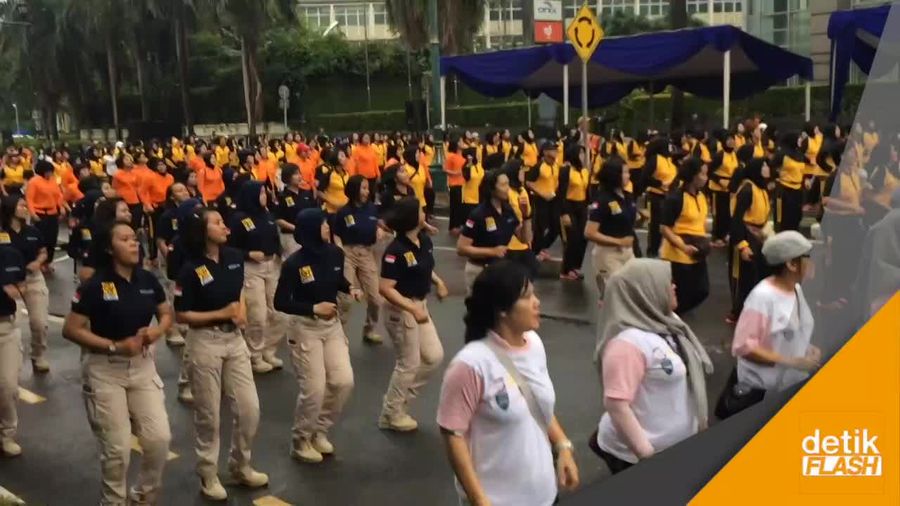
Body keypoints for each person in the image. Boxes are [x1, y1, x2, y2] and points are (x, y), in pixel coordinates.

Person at [437, 261, 579, 506]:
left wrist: (563, 445)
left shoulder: (534, 344)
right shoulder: (471, 365)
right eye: (527, 297)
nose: (537, 302)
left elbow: (538, 403)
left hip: (544, 495)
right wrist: (479, 499)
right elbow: (453, 435)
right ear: (502, 309)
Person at [62, 221, 173, 505]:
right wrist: (115, 346)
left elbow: (166, 314)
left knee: (159, 439)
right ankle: (113, 502)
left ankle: (143, 497)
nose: (134, 243)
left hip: (142, 366)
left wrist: (156, 332)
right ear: (110, 248)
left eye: (135, 238)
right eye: (125, 239)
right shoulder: (95, 285)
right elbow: (71, 329)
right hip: (105, 368)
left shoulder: (147, 280)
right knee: (117, 450)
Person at [174, 207, 267, 500]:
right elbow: (182, 315)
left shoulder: (234, 257)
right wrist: (221, 312)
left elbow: (238, 289)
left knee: (249, 408)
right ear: (203, 232)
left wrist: (239, 310)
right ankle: (208, 473)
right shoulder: (190, 270)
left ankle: (241, 465)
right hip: (205, 343)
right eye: (216, 222)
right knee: (209, 416)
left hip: (234, 340)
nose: (224, 225)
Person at [591, 259, 713, 474]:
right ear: (645, 291)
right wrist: (646, 455)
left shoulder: (666, 321)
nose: (674, 286)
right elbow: (616, 405)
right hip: (638, 457)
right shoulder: (627, 344)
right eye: (667, 282)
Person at [274, 208, 358, 463]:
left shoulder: (335, 253)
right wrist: (313, 308)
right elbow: (280, 302)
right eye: (322, 224)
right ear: (310, 229)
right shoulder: (294, 264)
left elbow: (336, 278)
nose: (327, 227)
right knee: (314, 388)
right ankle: (300, 439)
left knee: (343, 381)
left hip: (331, 327)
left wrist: (350, 287)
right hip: (305, 328)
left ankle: (319, 430)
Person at [719, 231, 820, 419]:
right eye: (808, 257)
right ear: (791, 264)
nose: (814, 263)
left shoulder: (796, 289)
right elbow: (744, 347)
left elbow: (791, 332)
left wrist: (807, 349)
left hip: (786, 385)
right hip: (761, 392)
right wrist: (792, 362)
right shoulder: (763, 298)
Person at [378, 197, 449, 431]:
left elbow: (426, 267)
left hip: (420, 305)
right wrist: (411, 308)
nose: (424, 211)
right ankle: (391, 414)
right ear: (412, 217)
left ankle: (396, 400)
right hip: (401, 309)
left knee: (433, 356)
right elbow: (386, 287)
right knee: (408, 362)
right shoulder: (395, 251)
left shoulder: (424, 241)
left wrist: (438, 282)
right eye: (420, 210)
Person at [228, 181, 285, 374]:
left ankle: (269, 349)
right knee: (258, 315)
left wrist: (278, 254)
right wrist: (248, 254)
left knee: (279, 313)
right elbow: (229, 248)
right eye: (261, 193)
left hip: (272, 266)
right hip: (251, 268)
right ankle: (255, 355)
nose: (264, 195)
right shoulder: (238, 219)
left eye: (265, 192)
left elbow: (275, 239)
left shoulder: (267, 215)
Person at [457, 170, 531, 293]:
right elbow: (461, 248)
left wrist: (526, 215)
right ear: (491, 189)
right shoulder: (478, 214)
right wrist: (492, 251)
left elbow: (524, 239)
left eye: (508, 184)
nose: (507, 188)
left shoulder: (508, 210)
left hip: (501, 269)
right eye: (503, 185)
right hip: (480, 270)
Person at [1, 194, 51, 373]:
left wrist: (38, 262)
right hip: (9, 282)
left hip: (33, 278)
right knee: (12, 325)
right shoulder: (2, 232)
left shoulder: (33, 232)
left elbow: (43, 252)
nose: (25, 209)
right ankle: (11, 362)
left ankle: (38, 354)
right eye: (22, 206)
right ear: (11, 209)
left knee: (39, 322)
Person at [333, 175, 384, 345]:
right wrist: (339, 249)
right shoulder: (343, 212)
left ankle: (370, 329)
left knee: (375, 298)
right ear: (354, 190)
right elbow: (336, 233)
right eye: (363, 188)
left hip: (366, 253)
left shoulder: (372, 209)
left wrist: (379, 230)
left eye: (367, 188)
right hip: (348, 252)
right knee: (346, 297)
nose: (366, 191)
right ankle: (338, 334)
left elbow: (377, 224)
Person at [660, 157, 711, 315]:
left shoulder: (702, 197)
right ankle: (671, 318)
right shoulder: (676, 198)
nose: (705, 178)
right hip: (678, 255)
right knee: (682, 292)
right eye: (702, 174)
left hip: (697, 252)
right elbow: (664, 228)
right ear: (692, 176)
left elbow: (700, 223)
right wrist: (683, 246)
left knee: (702, 290)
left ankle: (674, 314)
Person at [585, 158, 637, 301]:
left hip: (628, 253)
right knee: (614, 296)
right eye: (625, 172)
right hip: (608, 255)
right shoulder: (602, 200)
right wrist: (618, 241)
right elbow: (590, 232)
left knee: (631, 294)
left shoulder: (627, 197)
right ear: (614, 175)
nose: (628, 176)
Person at [728, 158, 772, 321]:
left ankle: (754, 311)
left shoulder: (761, 188)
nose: (768, 168)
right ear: (756, 169)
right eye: (764, 165)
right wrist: (742, 245)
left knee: (758, 275)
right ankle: (737, 313)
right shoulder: (747, 190)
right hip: (745, 236)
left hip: (758, 236)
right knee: (743, 278)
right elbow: (736, 219)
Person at [0, 220, 26, 457]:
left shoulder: (8, 253)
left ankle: (7, 433)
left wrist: (18, 290)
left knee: (7, 386)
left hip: (5, 327)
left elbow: (22, 285)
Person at [25, 160, 68, 271]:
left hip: (52, 213)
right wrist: (33, 213)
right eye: (48, 172)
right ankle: (40, 262)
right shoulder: (34, 182)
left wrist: (61, 207)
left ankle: (48, 262)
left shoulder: (53, 181)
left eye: (51, 172)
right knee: (41, 240)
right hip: (40, 214)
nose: (50, 174)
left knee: (52, 239)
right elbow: (29, 199)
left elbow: (58, 195)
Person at [640, 136, 677, 257]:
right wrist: (660, 184)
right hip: (656, 196)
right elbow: (644, 177)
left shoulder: (670, 160)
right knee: (655, 226)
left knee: (667, 225)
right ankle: (652, 251)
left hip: (669, 196)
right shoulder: (655, 159)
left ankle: (663, 249)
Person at [558, 144, 590, 280]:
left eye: (584, 154)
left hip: (582, 206)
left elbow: (588, 192)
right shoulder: (566, 170)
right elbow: (561, 193)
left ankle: (576, 267)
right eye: (580, 154)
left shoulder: (584, 171)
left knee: (583, 237)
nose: (583, 157)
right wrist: (564, 213)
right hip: (569, 205)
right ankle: (566, 269)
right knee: (572, 238)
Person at [502, 159, 538, 277]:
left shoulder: (522, 191)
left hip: (522, 240)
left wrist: (528, 239)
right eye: (521, 170)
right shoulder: (506, 193)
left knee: (532, 270)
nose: (523, 173)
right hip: (509, 243)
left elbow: (527, 216)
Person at [526, 143, 561, 262]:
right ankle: (535, 252)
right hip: (541, 200)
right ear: (545, 152)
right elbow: (528, 182)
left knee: (556, 226)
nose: (555, 152)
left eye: (556, 150)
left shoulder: (556, 166)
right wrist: (541, 193)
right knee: (540, 227)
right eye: (552, 150)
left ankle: (542, 247)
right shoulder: (539, 166)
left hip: (553, 199)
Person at [708, 131, 739, 247]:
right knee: (718, 213)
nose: (731, 142)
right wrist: (720, 181)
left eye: (733, 139)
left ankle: (724, 234)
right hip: (717, 188)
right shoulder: (719, 155)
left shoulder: (735, 155)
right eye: (729, 139)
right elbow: (710, 171)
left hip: (730, 188)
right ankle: (716, 237)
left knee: (727, 213)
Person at [772, 132, 806, 232]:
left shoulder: (799, 154)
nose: (800, 140)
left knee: (796, 218)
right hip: (784, 190)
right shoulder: (781, 154)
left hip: (798, 190)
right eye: (798, 138)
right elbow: (772, 167)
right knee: (783, 219)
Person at [276, 164, 312, 256]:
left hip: (309, 233)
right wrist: (296, 228)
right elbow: (278, 219)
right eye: (295, 174)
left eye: (300, 173)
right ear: (288, 176)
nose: (299, 176)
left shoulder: (306, 193)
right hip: (291, 236)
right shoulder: (282, 196)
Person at [444, 137, 467, 236]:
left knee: (462, 207)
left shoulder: (465, 155)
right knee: (455, 207)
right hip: (455, 184)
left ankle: (461, 225)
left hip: (465, 184)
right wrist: (455, 173)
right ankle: (454, 227)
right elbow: (445, 169)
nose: (463, 143)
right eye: (461, 141)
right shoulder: (451, 156)